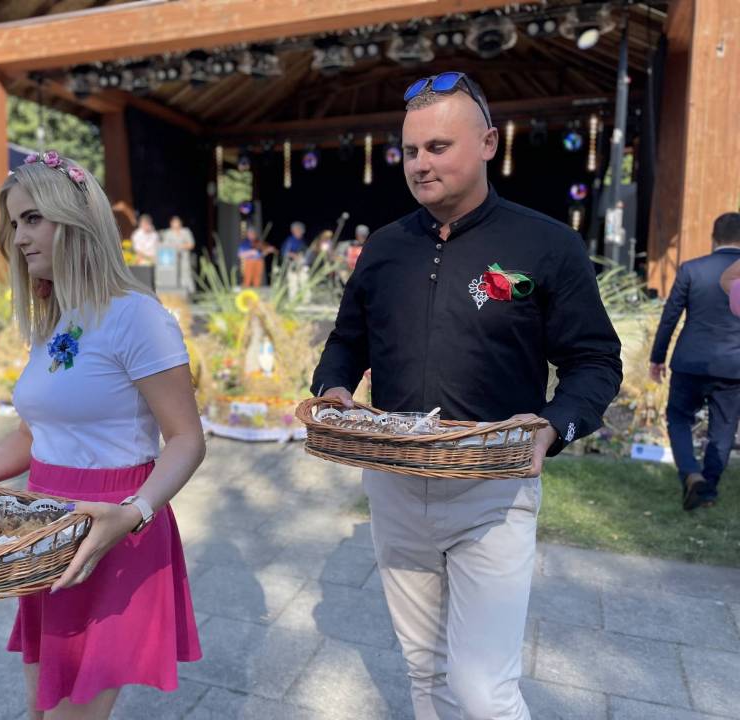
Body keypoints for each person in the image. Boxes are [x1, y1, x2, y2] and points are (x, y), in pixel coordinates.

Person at [310, 72, 621, 720]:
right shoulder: (384, 248)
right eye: (410, 150)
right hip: (394, 486)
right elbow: (346, 342)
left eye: (438, 147)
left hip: (493, 493)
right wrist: (334, 388)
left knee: (484, 691)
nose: (420, 164)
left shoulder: (546, 244)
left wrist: (554, 426)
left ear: (488, 143)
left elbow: (595, 361)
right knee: (425, 670)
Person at [0, 151, 204, 719]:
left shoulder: (137, 317)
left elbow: (187, 439)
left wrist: (134, 513)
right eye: (14, 223)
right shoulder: (55, 319)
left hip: (111, 533)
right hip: (43, 532)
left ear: (77, 218)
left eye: (33, 218)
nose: (18, 237)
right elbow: (33, 435)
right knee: (40, 710)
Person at [650, 211, 740, 510]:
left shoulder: (691, 269)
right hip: (733, 367)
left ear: (713, 238)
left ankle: (691, 474)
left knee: (678, 418)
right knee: (723, 429)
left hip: (690, 362)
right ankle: (708, 491)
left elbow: (670, 318)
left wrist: (657, 358)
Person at [159, 216, 196, 293]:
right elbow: (164, 245)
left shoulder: (186, 231)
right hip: (172, 259)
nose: (175, 224)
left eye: (177, 222)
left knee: (186, 274)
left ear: (180, 223)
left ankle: (189, 292)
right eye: (174, 223)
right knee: (172, 276)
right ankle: (175, 293)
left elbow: (191, 244)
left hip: (184, 258)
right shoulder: (167, 233)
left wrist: (179, 246)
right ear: (171, 224)